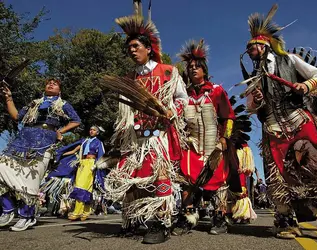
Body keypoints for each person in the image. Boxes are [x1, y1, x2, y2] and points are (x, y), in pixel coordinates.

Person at [241, 4, 317, 239]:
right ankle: (286, 220)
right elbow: (250, 107)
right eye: (247, 50)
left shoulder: (289, 60)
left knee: (314, 164)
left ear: (264, 44)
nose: (249, 52)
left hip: (298, 120)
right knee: (277, 175)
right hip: (273, 128)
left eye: (252, 47)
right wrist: (257, 100)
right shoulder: (253, 77)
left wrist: (305, 85)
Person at [104, 15, 188, 244]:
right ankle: (132, 219)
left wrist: (173, 111)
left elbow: (183, 98)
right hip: (136, 136)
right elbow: (124, 112)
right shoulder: (129, 79)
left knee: (160, 173)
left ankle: (161, 223)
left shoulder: (169, 72)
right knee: (133, 177)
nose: (131, 50)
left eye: (135, 46)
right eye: (128, 47)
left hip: (160, 133)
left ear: (148, 49)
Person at [173, 39, 237, 235]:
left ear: (204, 70)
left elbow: (229, 117)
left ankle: (219, 219)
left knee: (217, 181)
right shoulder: (183, 96)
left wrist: (224, 140)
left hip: (213, 145)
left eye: (197, 67)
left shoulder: (216, 91)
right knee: (186, 180)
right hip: (191, 145)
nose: (193, 70)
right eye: (190, 67)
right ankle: (187, 218)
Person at [0, 78, 80, 231]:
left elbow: (76, 120)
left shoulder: (63, 105)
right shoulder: (34, 103)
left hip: (44, 143)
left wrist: (60, 131)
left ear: (59, 90)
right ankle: (7, 209)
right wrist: (8, 98)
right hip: (22, 141)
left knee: (30, 180)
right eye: (48, 83)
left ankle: (27, 216)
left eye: (55, 83)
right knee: (1, 168)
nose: (51, 84)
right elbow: (17, 116)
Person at [65, 125, 106, 221]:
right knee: (87, 188)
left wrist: (96, 165)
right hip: (82, 163)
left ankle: (77, 212)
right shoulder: (84, 141)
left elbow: (101, 155)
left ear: (97, 132)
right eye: (90, 129)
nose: (91, 131)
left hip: (91, 164)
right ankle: (86, 211)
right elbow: (74, 147)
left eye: (94, 130)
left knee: (81, 186)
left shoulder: (98, 142)